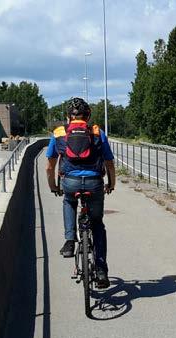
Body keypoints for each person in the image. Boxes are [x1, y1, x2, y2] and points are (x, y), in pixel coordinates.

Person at [45, 97, 115, 288]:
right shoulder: (97, 132)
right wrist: (111, 183)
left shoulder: (59, 133)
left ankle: (69, 240)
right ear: (88, 116)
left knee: (68, 201)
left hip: (70, 182)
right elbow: (109, 162)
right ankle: (101, 270)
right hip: (94, 183)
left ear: (69, 117)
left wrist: (53, 187)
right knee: (97, 225)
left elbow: (49, 167)